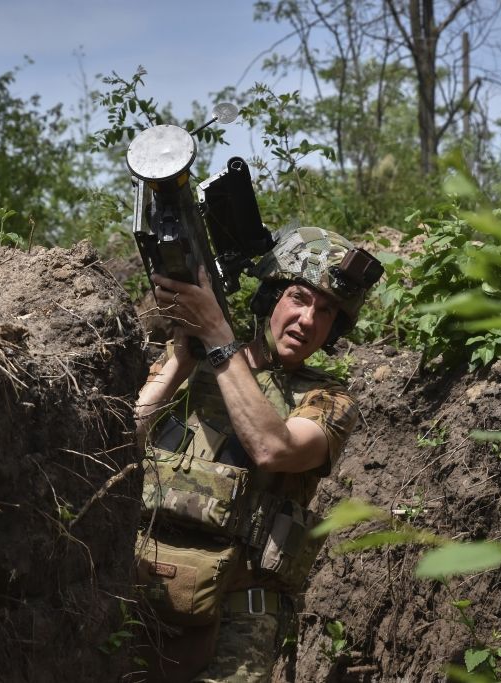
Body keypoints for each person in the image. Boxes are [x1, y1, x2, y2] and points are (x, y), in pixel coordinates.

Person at [134, 226, 382, 682]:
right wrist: (183, 360)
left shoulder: (329, 399)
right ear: (269, 298)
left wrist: (217, 336)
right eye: (298, 298)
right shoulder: (193, 361)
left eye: (326, 311)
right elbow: (121, 441)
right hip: (145, 588)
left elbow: (273, 448)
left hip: (239, 617)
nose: (309, 319)